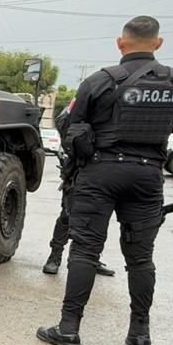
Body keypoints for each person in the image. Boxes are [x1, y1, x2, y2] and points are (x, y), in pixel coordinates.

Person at [37, 16, 173, 345]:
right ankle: (140, 334)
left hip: (101, 172)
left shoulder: (100, 80)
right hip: (147, 175)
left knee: (84, 250)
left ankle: (69, 330)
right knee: (141, 259)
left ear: (120, 43)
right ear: (159, 43)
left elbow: (71, 127)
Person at [42, 103, 115, 277]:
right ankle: (55, 256)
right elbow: (63, 121)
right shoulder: (91, 93)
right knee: (67, 216)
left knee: (100, 218)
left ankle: (93, 258)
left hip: (107, 168)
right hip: (80, 167)